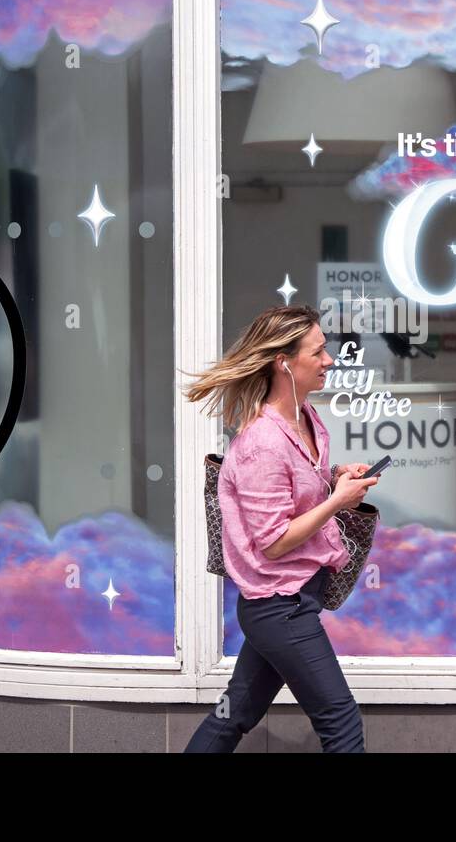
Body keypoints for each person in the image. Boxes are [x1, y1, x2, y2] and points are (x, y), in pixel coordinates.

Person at [181, 304, 379, 752]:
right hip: (279, 606)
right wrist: (336, 502)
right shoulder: (260, 445)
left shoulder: (306, 420)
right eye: (319, 351)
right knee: (341, 721)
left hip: (294, 598)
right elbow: (272, 543)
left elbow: (295, 496)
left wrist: (336, 479)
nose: (329, 360)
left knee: (235, 716)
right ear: (284, 362)